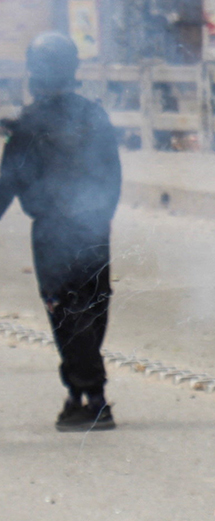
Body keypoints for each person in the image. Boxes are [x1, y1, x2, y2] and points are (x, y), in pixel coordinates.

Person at [0, 32, 122, 431]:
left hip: (53, 233)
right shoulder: (94, 114)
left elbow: (7, 182)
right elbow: (112, 177)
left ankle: (93, 396)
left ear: (36, 72)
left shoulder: (30, 123)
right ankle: (79, 394)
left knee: (65, 312)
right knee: (91, 307)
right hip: (93, 228)